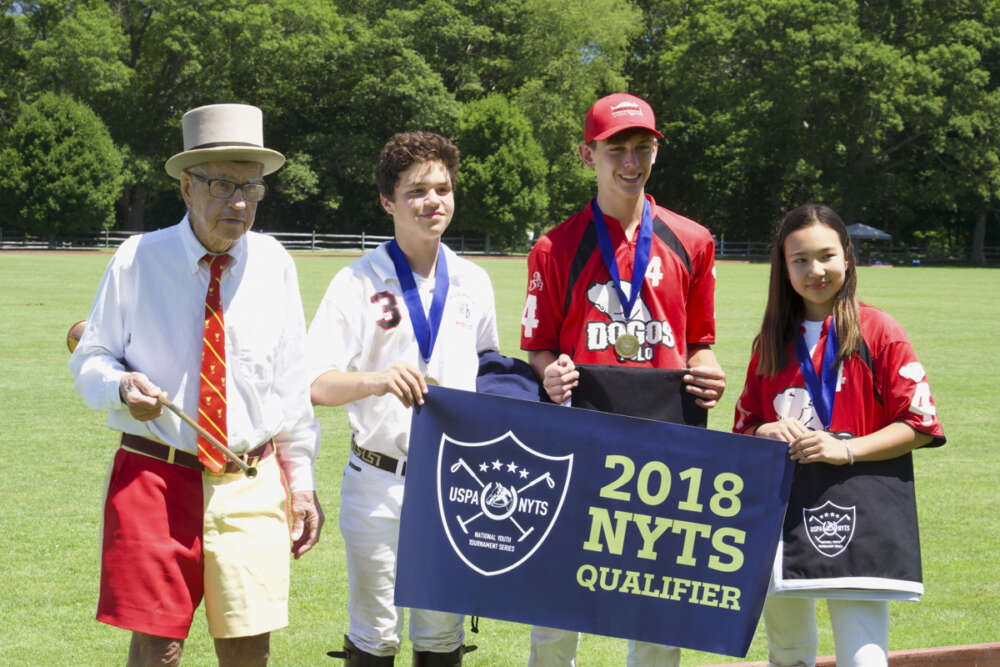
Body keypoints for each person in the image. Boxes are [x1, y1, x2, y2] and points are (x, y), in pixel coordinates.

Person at [69, 103, 323, 666]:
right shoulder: (138, 260)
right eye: (221, 185)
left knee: (247, 648)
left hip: (250, 476)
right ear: (186, 186)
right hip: (155, 474)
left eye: (251, 188)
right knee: (159, 648)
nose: (238, 202)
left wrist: (300, 483)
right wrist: (119, 387)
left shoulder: (276, 264)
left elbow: (291, 388)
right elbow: (90, 359)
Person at [520, 92, 726, 666]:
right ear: (588, 155)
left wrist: (707, 368)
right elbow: (539, 347)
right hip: (577, 443)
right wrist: (551, 374)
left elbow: (701, 341)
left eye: (642, 148)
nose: (630, 163)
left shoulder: (693, 240)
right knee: (559, 598)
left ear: (656, 152)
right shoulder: (554, 246)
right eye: (617, 150)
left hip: (666, 447)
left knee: (659, 601)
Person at [308, 130, 498, 665]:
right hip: (379, 479)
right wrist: (375, 379)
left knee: (442, 637)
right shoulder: (356, 280)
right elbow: (315, 382)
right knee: (375, 635)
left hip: (456, 482)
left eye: (442, 187)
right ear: (388, 201)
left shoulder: (474, 281)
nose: (433, 200)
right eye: (416, 191)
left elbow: (492, 376)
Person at [732, 203, 945, 666]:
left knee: (863, 655)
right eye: (801, 260)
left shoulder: (879, 330)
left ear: (847, 257)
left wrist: (844, 448)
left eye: (827, 256)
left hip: (859, 511)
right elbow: (744, 427)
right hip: (782, 516)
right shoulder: (771, 341)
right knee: (787, 651)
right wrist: (764, 429)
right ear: (783, 268)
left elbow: (920, 424)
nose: (816, 271)